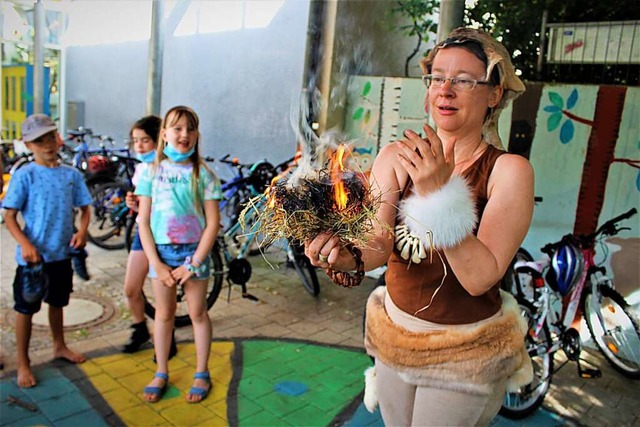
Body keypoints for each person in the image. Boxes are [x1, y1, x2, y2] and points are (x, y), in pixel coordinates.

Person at [305, 27, 535, 426]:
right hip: (394, 334)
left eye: (463, 80)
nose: (445, 90)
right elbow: (378, 243)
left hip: (465, 349)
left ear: (494, 94)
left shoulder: (508, 171)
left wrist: (438, 195)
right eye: (437, 78)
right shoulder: (395, 156)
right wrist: (346, 255)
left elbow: (480, 277)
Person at [135, 106, 222, 403]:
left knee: (198, 313)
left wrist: (193, 264)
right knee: (164, 314)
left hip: (194, 254)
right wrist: (156, 264)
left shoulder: (206, 175)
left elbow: (213, 224)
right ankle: (161, 370)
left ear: (197, 134)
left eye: (190, 129)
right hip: (160, 254)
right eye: (177, 128)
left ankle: (201, 372)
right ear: (164, 135)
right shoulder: (151, 172)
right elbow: (143, 222)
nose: (184, 135)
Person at [3, 114, 92, 388]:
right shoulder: (25, 175)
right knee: (25, 309)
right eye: (39, 140)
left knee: (58, 303)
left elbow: (85, 208)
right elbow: (9, 215)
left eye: (51, 137)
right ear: (29, 145)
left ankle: (59, 345)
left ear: (58, 138)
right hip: (33, 261)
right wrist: (25, 243)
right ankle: (23, 362)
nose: (47, 145)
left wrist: (82, 231)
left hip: (61, 255)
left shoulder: (71, 175)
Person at [121, 115, 178, 359]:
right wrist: (134, 203)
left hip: (165, 236)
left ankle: (167, 339)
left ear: (159, 140)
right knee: (131, 289)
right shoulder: (140, 169)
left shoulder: (173, 168)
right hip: (142, 234)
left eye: (145, 140)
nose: (140, 146)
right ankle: (139, 329)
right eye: (136, 141)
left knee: (163, 295)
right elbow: (144, 206)